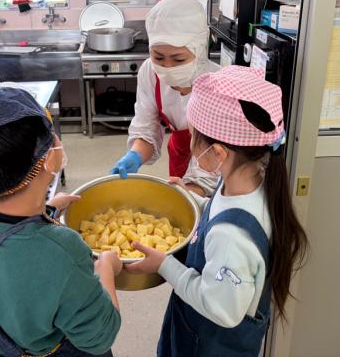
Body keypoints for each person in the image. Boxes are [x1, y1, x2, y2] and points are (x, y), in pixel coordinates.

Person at [126, 66, 309, 357]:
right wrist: (192, 200)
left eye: (193, 136)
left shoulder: (231, 237)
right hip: (194, 325)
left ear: (219, 152)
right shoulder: (247, 182)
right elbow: (219, 210)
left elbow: (221, 309)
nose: (189, 143)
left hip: (210, 344)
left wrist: (164, 265)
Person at [0, 87, 122, 357]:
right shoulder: (63, 251)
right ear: (48, 159)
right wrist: (106, 268)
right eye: (50, 131)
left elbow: (17, 270)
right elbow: (99, 337)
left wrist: (49, 208)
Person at [110, 0, 220, 196]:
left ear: (200, 50)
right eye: (158, 57)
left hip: (215, 166)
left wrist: (194, 193)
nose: (167, 67)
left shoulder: (218, 85)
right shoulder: (149, 72)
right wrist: (135, 155)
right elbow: (147, 125)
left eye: (178, 59)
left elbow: (219, 157)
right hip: (179, 154)